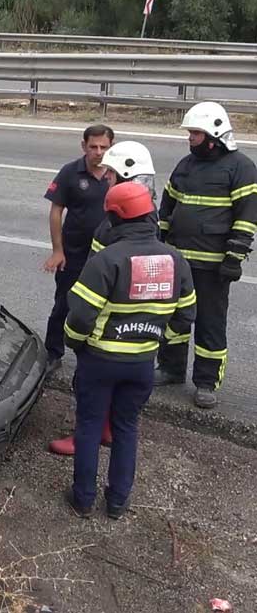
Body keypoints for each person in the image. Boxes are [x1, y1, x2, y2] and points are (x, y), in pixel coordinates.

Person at [63, 181, 196, 519]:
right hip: (141, 364)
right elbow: (186, 315)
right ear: (150, 215)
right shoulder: (175, 259)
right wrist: (155, 338)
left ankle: (83, 500)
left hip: (100, 360)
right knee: (126, 428)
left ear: (114, 218)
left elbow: (80, 314)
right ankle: (118, 502)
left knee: (90, 427)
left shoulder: (107, 259)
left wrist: (75, 343)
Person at [48, 140, 157, 456]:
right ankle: (108, 430)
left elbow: (97, 281)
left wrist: (79, 325)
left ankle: (85, 437)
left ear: (124, 174)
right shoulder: (148, 215)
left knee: (91, 381)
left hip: (106, 321)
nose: (105, 177)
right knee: (122, 394)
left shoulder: (112, 227)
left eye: (110, 172)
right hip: (137, 324)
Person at [155, 102, 257, 409]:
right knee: (174, 317)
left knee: (210, 323)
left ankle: (206, 382)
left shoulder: (241, 167)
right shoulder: (186, 165)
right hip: (178, 261)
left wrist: (234, 257)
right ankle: (171, 369)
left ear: (214, 135)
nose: (190, 138)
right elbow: (167, 205)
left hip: (213, 266)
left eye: (195, 133)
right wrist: (159, 242)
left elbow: (247, 216)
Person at [42, 125, 114, 371]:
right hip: (73, 253)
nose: (98, 152)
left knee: (104, 307)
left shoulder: (117, 174)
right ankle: (52, 352)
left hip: (106, 256)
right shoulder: (70, 173)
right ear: (83, 146)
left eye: (104, 147)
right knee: (64, 303)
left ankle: (95, 356)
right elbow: (56, 211)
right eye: (93, 147)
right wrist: (57, 250)